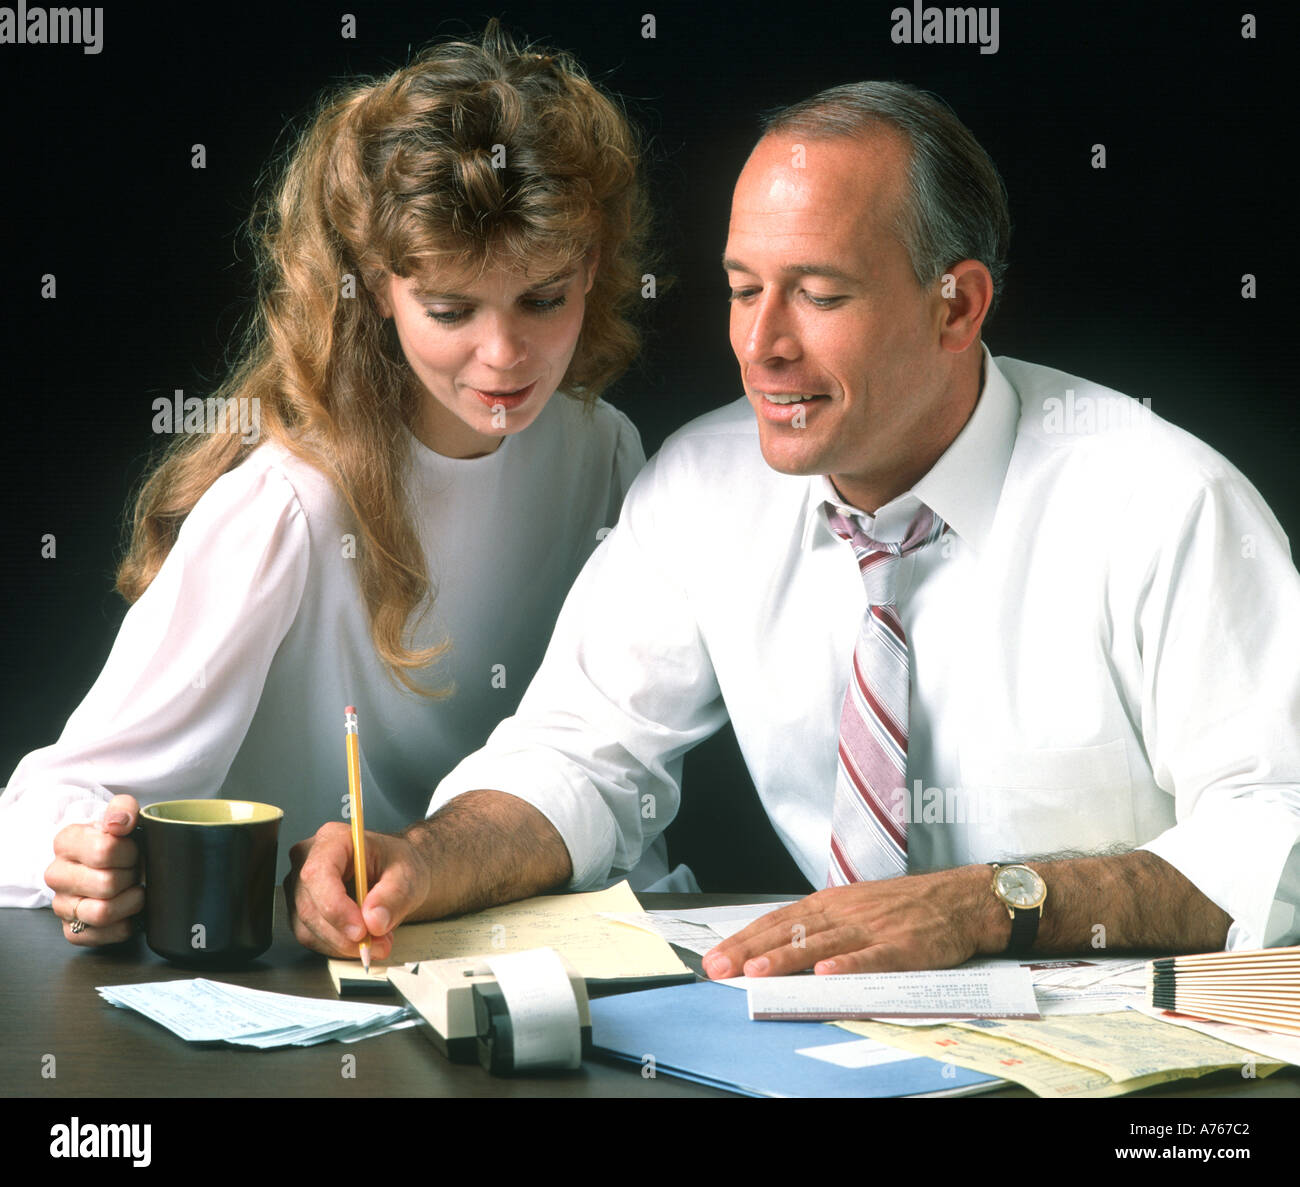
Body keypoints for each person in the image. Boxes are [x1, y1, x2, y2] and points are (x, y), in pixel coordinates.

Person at [286, 81, 1300, 975]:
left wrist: (988, 905)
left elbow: (1277, 834)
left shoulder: (1164, 503)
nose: (762, 345)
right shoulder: (703, 486)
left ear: (957, 305)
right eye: (742, 290)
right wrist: (424, 858)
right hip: (841, 1042)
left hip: (1128, 1037)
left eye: (819, 295)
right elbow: (582, 756)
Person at [0, 22, 676, 944]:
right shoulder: (290, 504)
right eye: (450, 309)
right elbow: (46, 799)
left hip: (518, 949)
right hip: (309, 975)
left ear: (591, 269)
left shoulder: (604, 453)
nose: (505, 354)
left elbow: (617, 764)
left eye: (543, 298)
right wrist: (78, 851)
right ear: (375, 282)